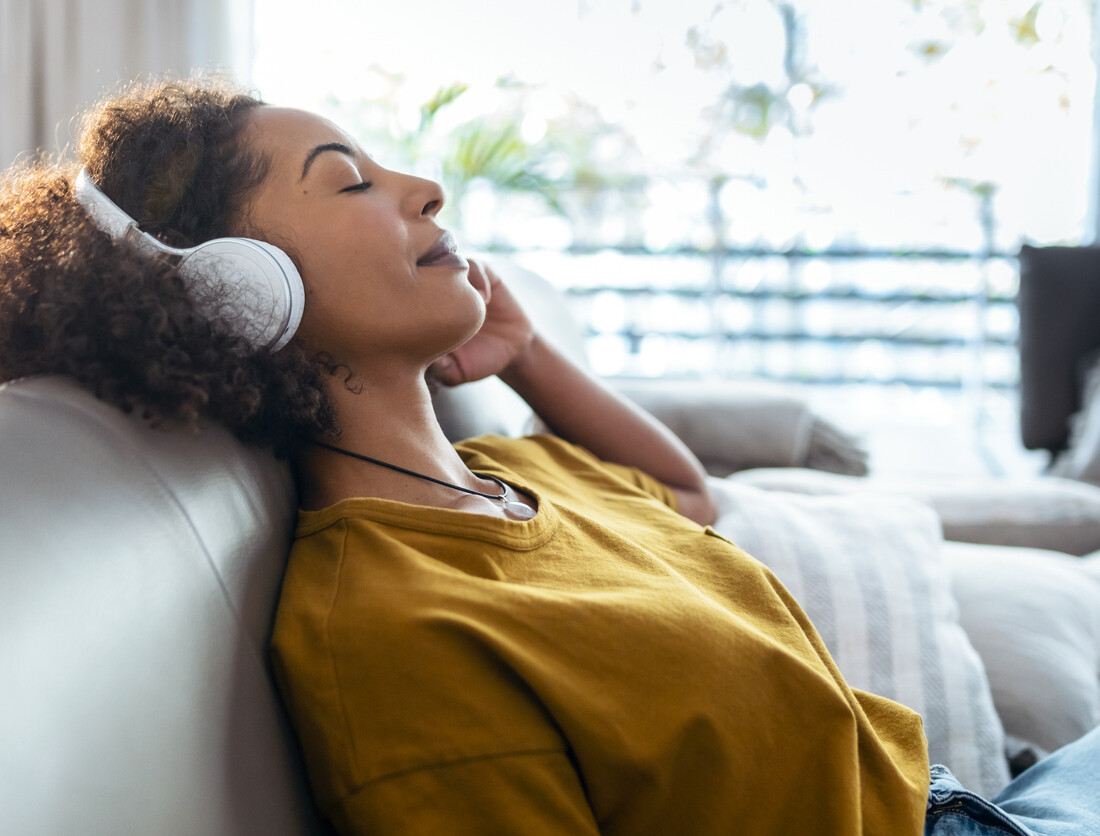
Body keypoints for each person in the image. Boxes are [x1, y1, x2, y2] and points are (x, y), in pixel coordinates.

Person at [1, 75, 1098, 836]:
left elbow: (684, 496)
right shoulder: (395, 633)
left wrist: (526, 362)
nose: (424, 186)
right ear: (238, 294)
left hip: (973, 799)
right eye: (349, 181)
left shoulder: (520, 480)